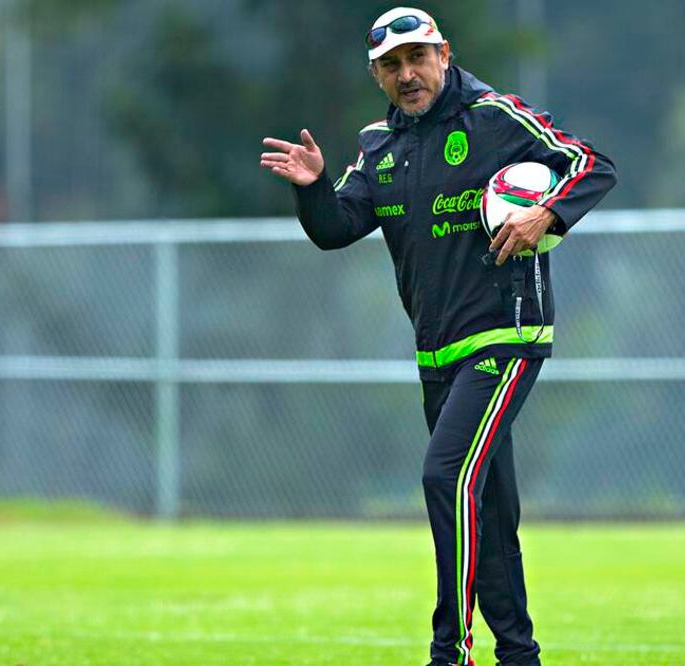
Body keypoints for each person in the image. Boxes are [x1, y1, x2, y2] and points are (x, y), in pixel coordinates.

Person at [260, 7, 617, 665]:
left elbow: (591, 163)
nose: (407, 74)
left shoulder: (495, 117)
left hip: (506, 337)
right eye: (391, 66)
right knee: (489, 510)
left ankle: (446, 650)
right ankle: (519, 655)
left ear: (443, 54)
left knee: (444, 477)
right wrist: (311, 189)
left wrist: (546, 212)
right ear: (377, 74)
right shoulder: (379, 146)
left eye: (417, 58)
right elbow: (336, 228)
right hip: (437, 353)